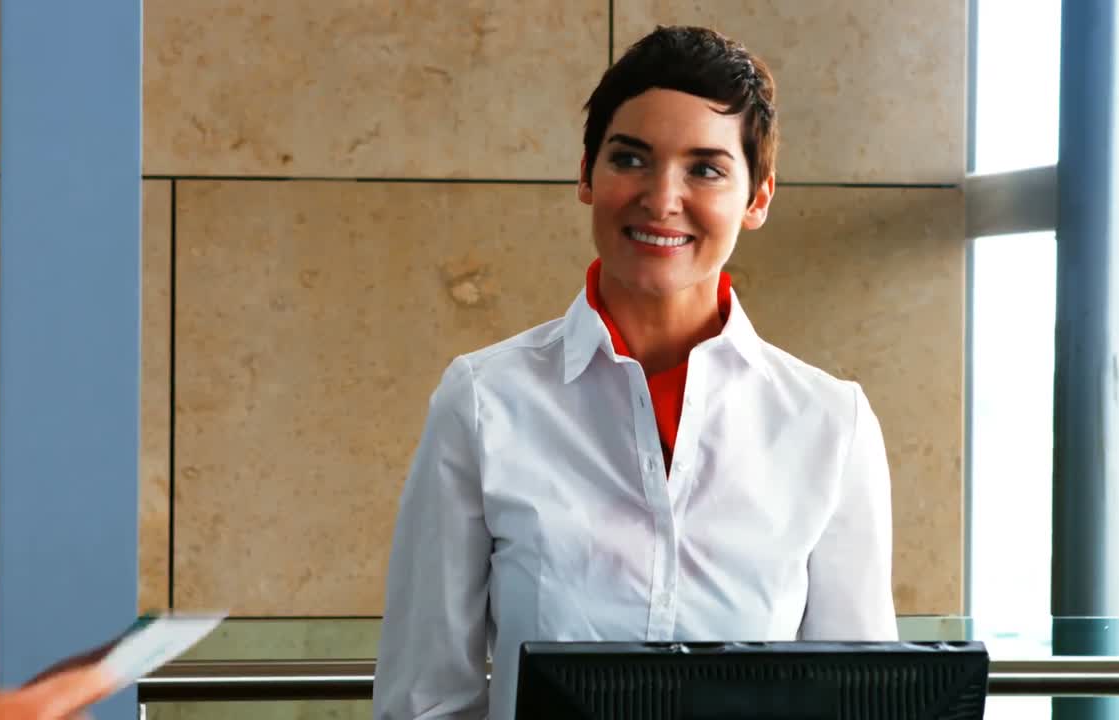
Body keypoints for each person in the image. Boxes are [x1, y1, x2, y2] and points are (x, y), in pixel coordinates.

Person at [372, 25, 898, 720]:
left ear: (758, 198)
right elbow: (425, 699)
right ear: (586, 176)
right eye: (630, 158)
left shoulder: (831, 423)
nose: (661, 198)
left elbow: (860, 702)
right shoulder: (483, 401)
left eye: (706, 169)